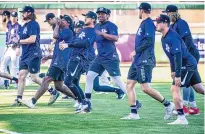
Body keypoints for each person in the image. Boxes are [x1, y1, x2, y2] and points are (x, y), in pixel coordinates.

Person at [121, 3, 174, 120]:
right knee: (129, 85)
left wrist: (136, 51)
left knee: (145, 88)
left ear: (142, 10)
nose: (138, 12)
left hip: (145, 60)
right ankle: (134, 114)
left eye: (138, 10)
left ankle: (168, 104)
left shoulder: (149, 23)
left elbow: (149, 40)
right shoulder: (144, 23)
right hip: (138, 61)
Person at [18, 15, 76, 108]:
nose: (60, 21)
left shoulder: (67, 31)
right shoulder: (65, 32)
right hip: (59, 61)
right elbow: (61, 50)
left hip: (60, 62)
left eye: (63, 20)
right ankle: (78, 98)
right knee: (59, 86)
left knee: (46, 80)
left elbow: (55, 35)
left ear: (68, 23)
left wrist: (57, 25)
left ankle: (32, 101)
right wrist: (49, 57)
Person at [155, 14, 204, 125]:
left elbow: (177, 55)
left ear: (165, 23)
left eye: (158, 22)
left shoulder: (172, 36)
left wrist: (177, 75)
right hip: (186, 64)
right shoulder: (164, 37)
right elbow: (171, 57)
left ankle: (182, 118)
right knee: (200, 89)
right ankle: (181, 117)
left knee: (174, 89)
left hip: (186, 65)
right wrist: (173, 70)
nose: (156, 24)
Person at [10, 6, 57, 106]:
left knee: (34, 77)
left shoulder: (34, 24)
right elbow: (20, 40)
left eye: (24, 13)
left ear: (30, 13)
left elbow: (32, 39)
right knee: (21, 76)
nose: (22, 14)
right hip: (25, 55)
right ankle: (18, 99)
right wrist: (16, 44)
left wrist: (18, 41)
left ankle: (53, 91)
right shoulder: (22, 26)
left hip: (34, 53)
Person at [84, 7, 127, 112]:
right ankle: (87, 103)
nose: (100, 15)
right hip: (100, 57)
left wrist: (103, 34)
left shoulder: (111, 25)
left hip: (110, 57)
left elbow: (116, 38)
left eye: (103, 14)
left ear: (108, 15)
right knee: (89, 76)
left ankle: (135, 101)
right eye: (98, 14)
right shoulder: (97, 26)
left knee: (117, 80)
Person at [163, 5, 201, 115]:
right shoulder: (174, 25)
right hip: (186, 57)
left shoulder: (181, 23)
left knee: (183, 83)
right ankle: (193, 107)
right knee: (194, 84)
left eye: (167, 13)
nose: (166, 15)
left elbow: (186, 42)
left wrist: (185, 58)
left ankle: (184, 107)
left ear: (172, 13)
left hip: (190, 56)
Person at [0, 11, 19, 88]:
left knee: (14, 66)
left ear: (17, 17)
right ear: (10, 17)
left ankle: (16, 82)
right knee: (2, 65)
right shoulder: (9, 24)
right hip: (8, 47)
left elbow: (19, 37)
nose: (13, 18)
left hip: (14, 47)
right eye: (12, 16)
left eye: (15, 16)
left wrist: (18, 47)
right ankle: (5, 81)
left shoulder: (18, 26)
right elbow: (3, 24)